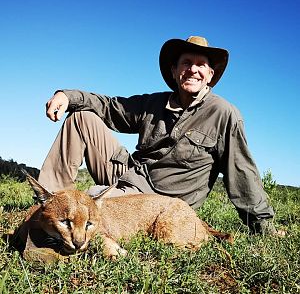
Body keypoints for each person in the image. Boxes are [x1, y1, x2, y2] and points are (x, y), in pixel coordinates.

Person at [39, 35, 279, 235]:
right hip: (129, 175)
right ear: (174, 70)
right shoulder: (154, 102)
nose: (193, 69)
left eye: (201, 64)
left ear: (210, 74)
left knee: (92, 203)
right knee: (83, 117)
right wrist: (68, 96)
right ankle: (48, 205)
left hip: (158, 201)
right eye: (186, 63)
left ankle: (69, 223)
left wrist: (263, 226)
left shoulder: (224, 114)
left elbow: (241, 171)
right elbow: (111, 107)